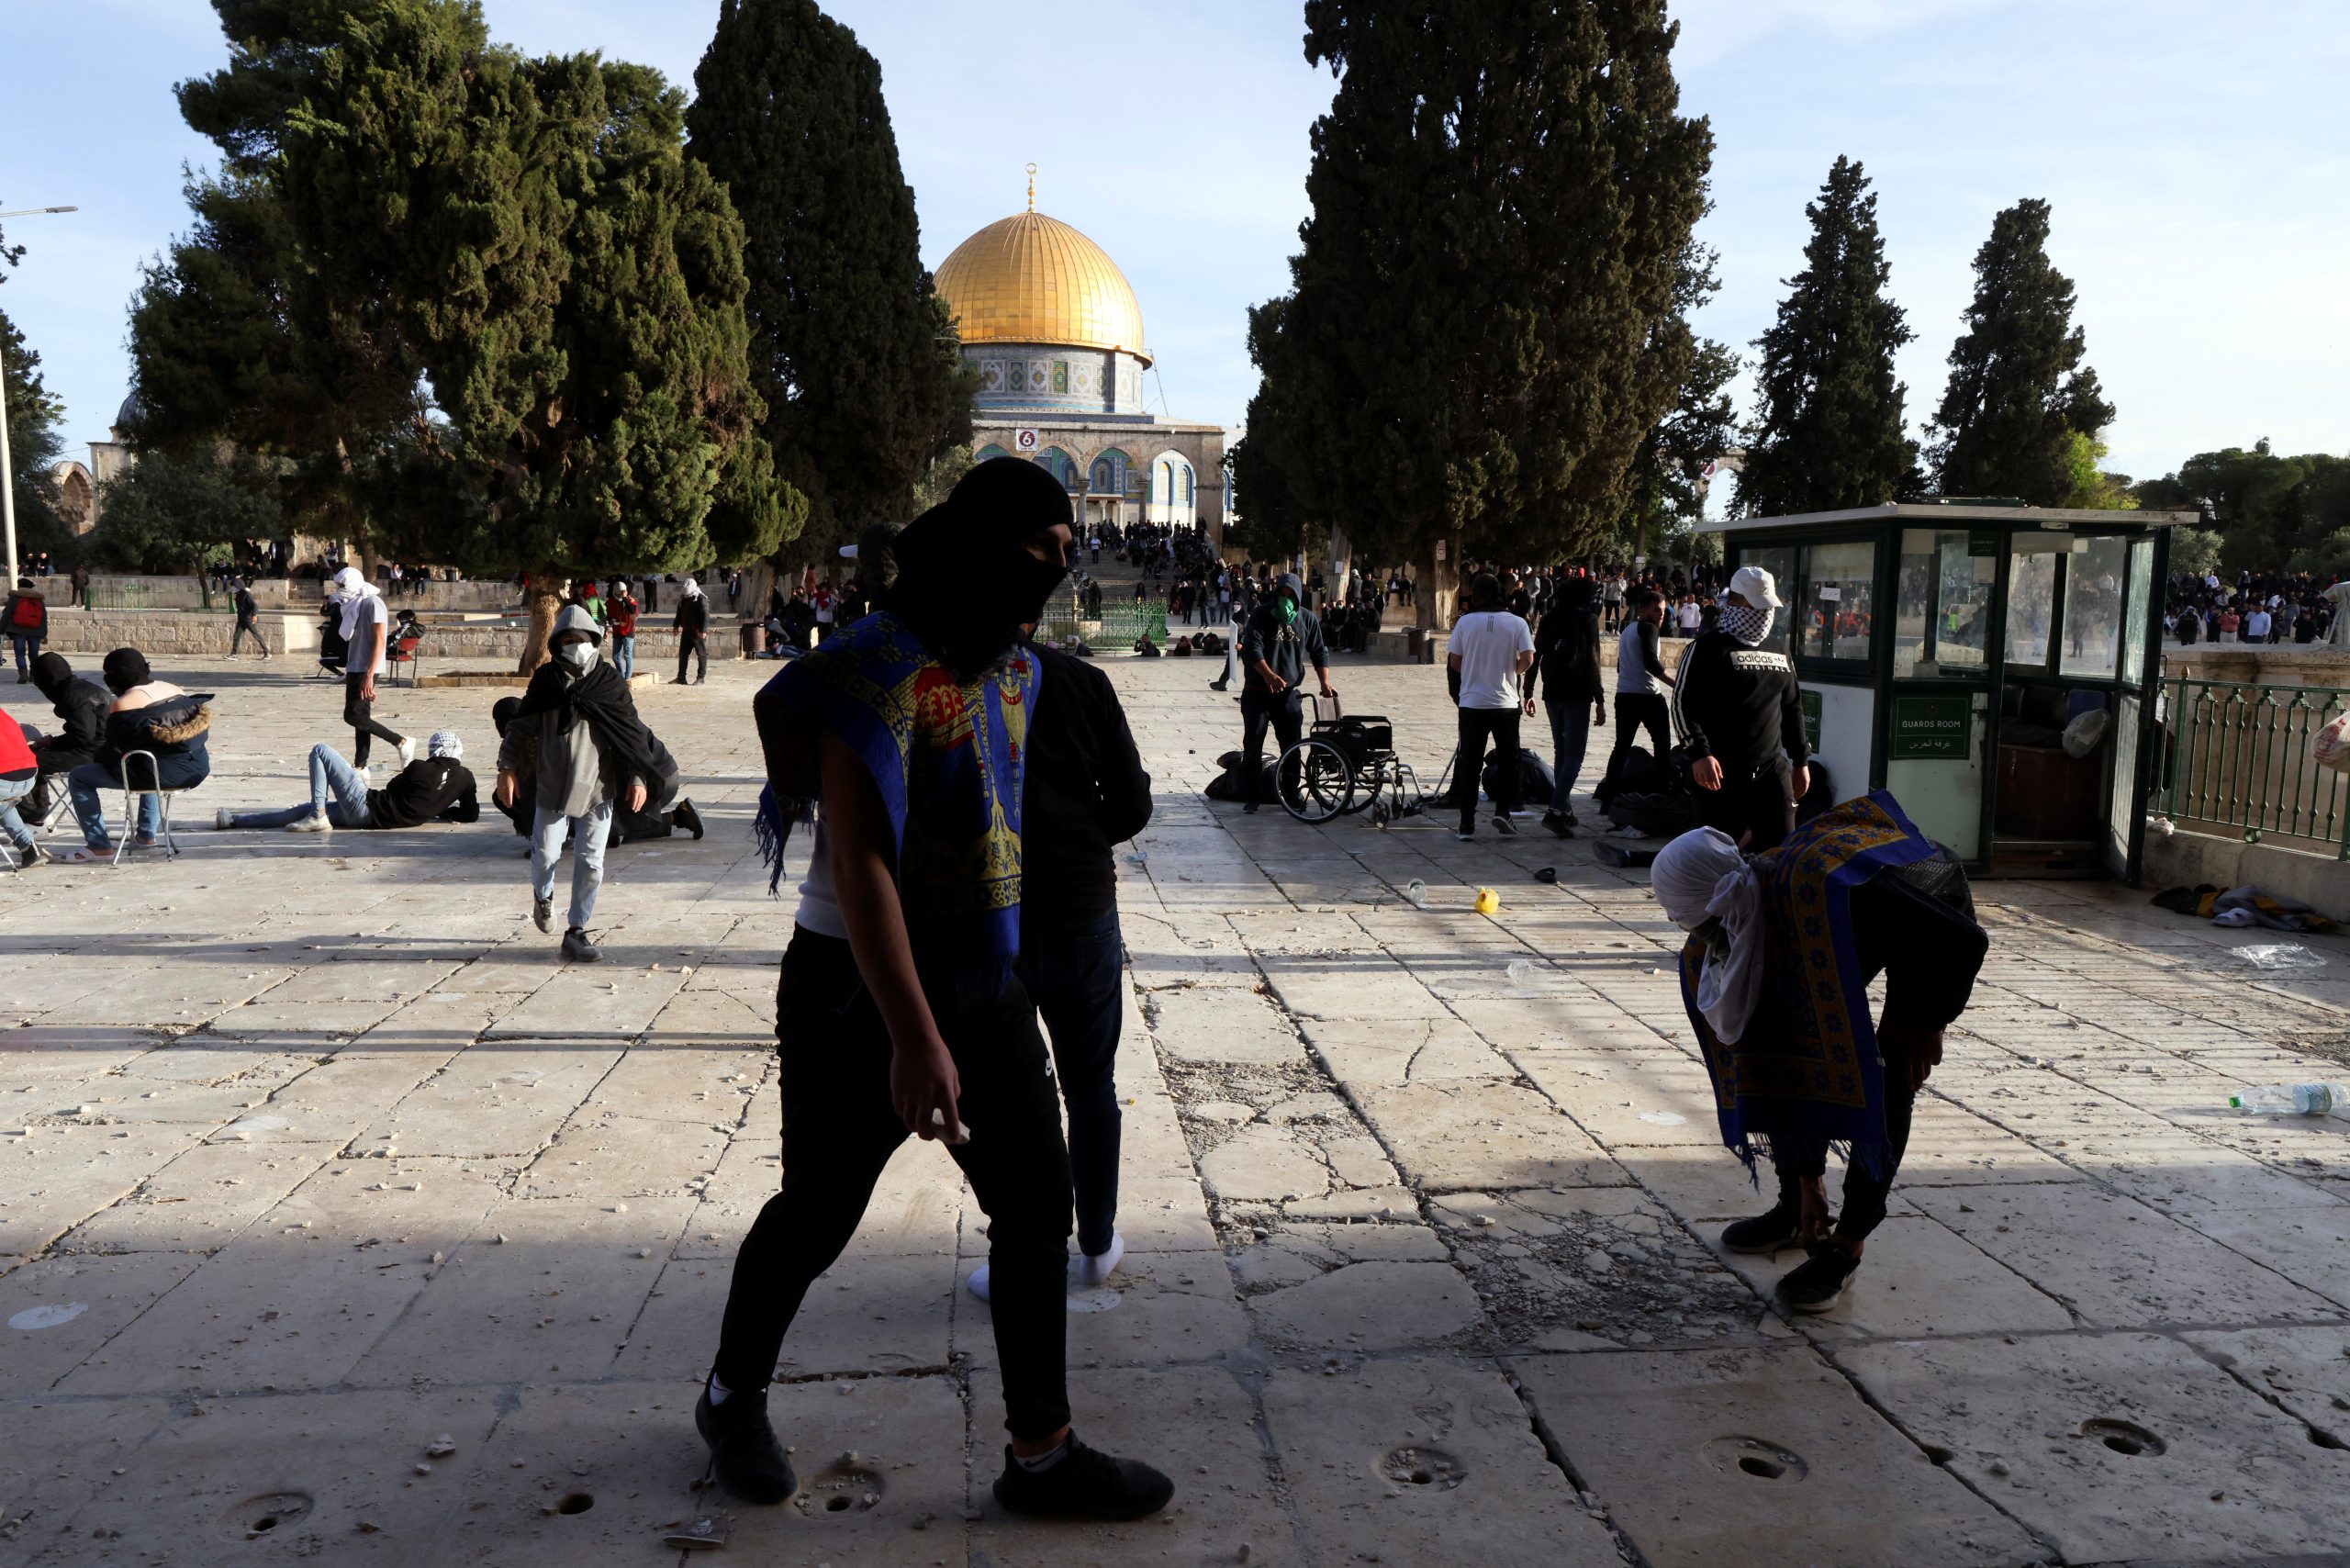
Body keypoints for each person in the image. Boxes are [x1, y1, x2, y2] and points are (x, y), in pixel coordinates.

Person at [705, 456, 1173, 1520]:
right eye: (1040, 553)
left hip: (978, 969)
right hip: (855, 984)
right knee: (820, 1210)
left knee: (1035, 1204)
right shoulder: (871, 666)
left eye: (1065, 555)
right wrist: (914, 1039)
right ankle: (731, 1395)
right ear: (984, 544)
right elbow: (863, 862)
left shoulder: (1016, 668)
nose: (1054, 574)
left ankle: (1040, 1453)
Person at [1650, 792, 1988, 1312]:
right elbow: (1768, 1059)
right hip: (1861, 922)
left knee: (1889, 1076)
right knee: (1781, 1044)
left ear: (1710, 901)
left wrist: (1929, 1020)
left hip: (1928, 915)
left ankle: (1846, 1246)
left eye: (1681, 913)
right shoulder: (1729, 923)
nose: (1678, 924)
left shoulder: (1825, 895)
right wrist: (1806, 1178)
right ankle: (1795, 1209)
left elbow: (1963, 939)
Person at [967, 637, 1152, 1303]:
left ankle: (1023, 1250)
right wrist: (1074, 832)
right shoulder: (1084, 683)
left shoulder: (960, 686)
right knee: (1090, 1086)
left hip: (997, 916)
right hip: (1079, 910)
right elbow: (1133, 805)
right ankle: (1096, 1245)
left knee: (1005, 1098)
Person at [495, 608, 656, 959]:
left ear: (593, 641)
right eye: (567, 642)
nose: (575, 647)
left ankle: (577, 929)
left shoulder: (608, 683)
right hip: (553, 785)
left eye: (580, 640)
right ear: (556, 645)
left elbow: (630, 734)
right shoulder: (546, 682)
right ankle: (544, 896)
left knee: (592, 863)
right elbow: (520, 727)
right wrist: (506, 768)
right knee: (546, 855)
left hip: (599, 788)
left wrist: (637, 777)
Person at [1673, 566, 1808, 852]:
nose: (1762, 613)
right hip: (1720, 772)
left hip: (1772, 771)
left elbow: (1792, 706)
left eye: (1766, 606)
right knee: (1717, 858)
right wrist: (1699, 754)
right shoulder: (1707, 648)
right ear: (1734, 602)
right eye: (1755, 605)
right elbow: (1682, 704)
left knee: (1781, 852)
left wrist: (1801, 761)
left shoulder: (1778, 649)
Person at [63, 648, 214, 860]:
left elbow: (115, 748)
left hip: (161, 773)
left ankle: (98, 846)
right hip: (196, 767)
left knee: (80, 776)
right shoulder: (174, 688)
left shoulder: (125, 703)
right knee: (148, 760)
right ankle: (146, 835)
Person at [217, 731, 477, 832]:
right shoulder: (466, 778)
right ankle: (234, 821)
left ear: (433, 751)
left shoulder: (420, 767)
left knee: (320, 750)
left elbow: (391, 788)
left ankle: (318, 814)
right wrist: (439, 809)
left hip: (366, 806)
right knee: (298, 813)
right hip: (373, 820)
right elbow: (470, 814)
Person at [1235, 573, 1336, 814]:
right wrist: (1268, 675)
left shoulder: (1307, 619)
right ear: (1276, 592)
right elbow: (1252, 648)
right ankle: (1252, 795)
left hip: (1288, 694)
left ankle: (1292, 791)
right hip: (1258, 692)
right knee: (1253, 744)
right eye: (1282, 593)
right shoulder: (1261, 615)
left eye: (1291, 594)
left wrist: (1325, 682)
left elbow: (1319, 651)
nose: (1286, 598)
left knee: (1291, 745)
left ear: (1299, 595)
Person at [1447, 573, 1535, 840]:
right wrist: (1511, 671)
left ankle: (1466, 824)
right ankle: (1502, 812)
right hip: (1505, 702)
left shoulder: (1465, 623)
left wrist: (1475, 673)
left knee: (1471, 763)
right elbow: (1528, 659)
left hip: (1472, 703)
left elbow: (1455, 663)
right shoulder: (1517, 622)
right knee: (1509, 761)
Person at [1532, 575, 1606, 838]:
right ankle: (1554, 810)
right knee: (1574, 754)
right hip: (1577, 694)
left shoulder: (1550, 617)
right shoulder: (1587, 620)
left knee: (1561, 750)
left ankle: (1564, 808)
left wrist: (1528, 690)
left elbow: (1536, 652)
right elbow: (1593, 661)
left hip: (1551, 692)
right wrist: (1600, 699)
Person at [1596, 589, 1674, 805]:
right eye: (1656, 610)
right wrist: (1677, 685)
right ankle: (1663, 793)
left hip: (1625, 696)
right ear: (1643, 610)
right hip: (1648, 696)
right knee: (1662, 745)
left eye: (1664, 611)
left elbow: (1622, 665)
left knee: (1621, 747)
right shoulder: (1649, 628)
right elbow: (1651, 663)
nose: (1661, 615)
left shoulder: (1629, 630)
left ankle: (1608, 798)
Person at [329, 566, 411, 767]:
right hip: (355, 666)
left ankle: (400, 741)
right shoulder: (355, 604)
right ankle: (360, 765)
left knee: (353, 715)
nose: (339, 589)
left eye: (342, 585)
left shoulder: (373, 603)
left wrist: (370, 675)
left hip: (366, 667)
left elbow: (380, 640)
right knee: (361, 718)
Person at [25, 652, 109, 827]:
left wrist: (53, 743)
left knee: (24, 761)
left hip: (91, 754)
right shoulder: (84, 687)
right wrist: (52, 742)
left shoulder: (72, 695)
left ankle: (34, 817)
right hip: (100, 748)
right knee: (34, 754)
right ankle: (41, 811)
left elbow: (83, 735)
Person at [0, 714, 43, 868]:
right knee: (2, 802)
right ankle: (29, 847)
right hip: (29, 776)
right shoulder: (3, 714)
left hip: (4, 780)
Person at [6, 577, 47, 682]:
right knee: (34, 654)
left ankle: (23, 674)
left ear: (19, 586)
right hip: (35, 630)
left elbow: (6, 615)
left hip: (18, 630)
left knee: (20, 653)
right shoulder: (38, 600)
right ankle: (33, 674)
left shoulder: (14, 598)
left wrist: (1, 630)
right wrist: (44, 633)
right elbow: (43, 617)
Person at [673, 577, 710, 685]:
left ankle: (701, 678)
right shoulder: (684, 598)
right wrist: (676, 626)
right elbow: (679, 613)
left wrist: (703, 630)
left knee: (701, 654)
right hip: (686, 631)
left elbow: (705, 616)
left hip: (697, 632)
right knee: (683, 654)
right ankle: (681, 678)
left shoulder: (702, 599)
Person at [605, 579, 640, 680]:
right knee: (616, 657)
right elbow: (606, 615)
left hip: (628, 631)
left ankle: (627, 678)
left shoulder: (630, 600)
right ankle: (621, 676)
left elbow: (633, 610)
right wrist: (610, 620)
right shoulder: (610, 602)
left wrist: (625, 599)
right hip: (617, 632)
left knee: (627, 655)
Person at [229, 578, 270, 658]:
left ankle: (267, 653)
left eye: (234, 586)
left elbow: (255, 605)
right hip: (241, 619)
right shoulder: (238, 595)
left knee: (256, 635)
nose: (232, 588)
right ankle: (234, 654)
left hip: (248, 619)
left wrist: (254, 615)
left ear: (238, 586)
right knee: (236, 636)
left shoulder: (246, 594)